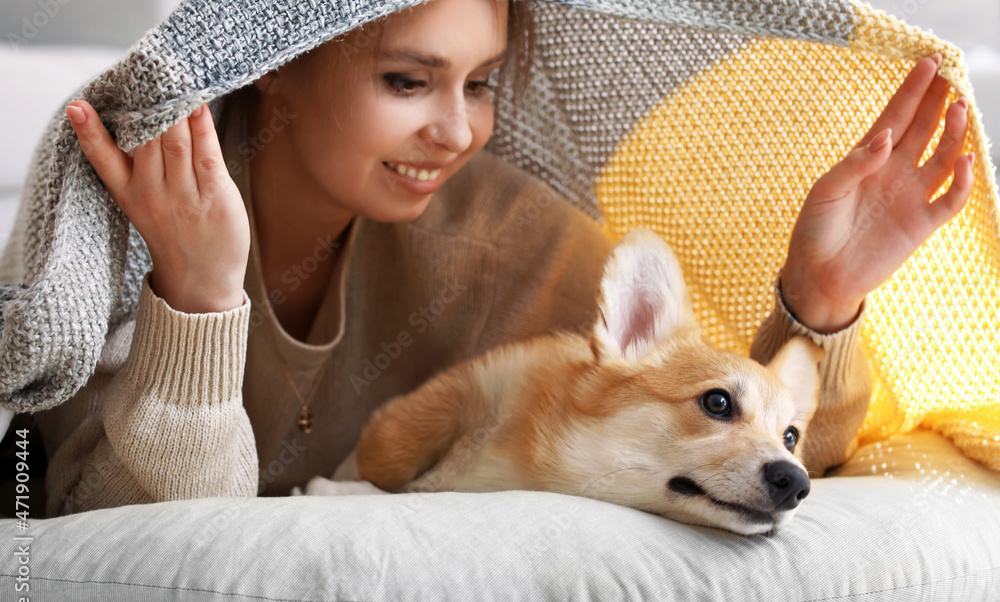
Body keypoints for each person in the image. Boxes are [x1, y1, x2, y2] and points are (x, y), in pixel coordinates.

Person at [41, 0, 972, 516]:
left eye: (481, 84)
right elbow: (100, 527)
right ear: (278, 54)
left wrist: (820, 297)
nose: (456, 132)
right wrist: (198, 302)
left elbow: (745, 432)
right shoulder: (126, 219)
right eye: (407, 80)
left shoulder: (500, 232)